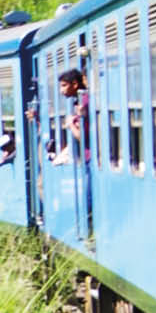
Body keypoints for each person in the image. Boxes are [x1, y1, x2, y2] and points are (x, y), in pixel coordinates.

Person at [59, 67, 93, 235]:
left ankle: (89, 232)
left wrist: (70, 124)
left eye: (64, 85)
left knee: (87, 199)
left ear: (75, 84)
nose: (61, 90)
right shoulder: (81, 102)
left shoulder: (85, 102)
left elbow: (83, 137)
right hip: (86, 158)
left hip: (89, 158)